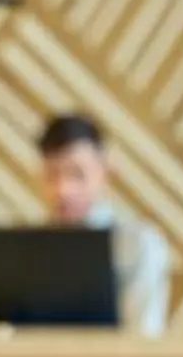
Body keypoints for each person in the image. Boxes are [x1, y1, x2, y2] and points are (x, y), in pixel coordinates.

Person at [38, 110, 172, 337]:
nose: (63, 190)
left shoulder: (138, 244)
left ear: (104, 172)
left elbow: (143, 340)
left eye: (77, 174)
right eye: (52, 175)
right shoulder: (33, 251)